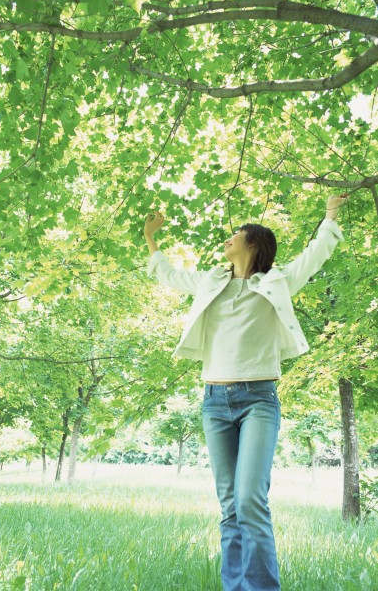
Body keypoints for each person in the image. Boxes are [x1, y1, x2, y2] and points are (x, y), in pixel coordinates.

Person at [143, 194, 347, 591]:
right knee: (230, 506)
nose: (229, 238)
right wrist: (151, 238)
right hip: (215, 402)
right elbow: (168, 274)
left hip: (258, 399)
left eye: (237, 233)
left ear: (253, 243)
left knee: (250, 499)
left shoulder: (276, 281)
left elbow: (316, 253)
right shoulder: (210, 280)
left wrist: (331, 214)